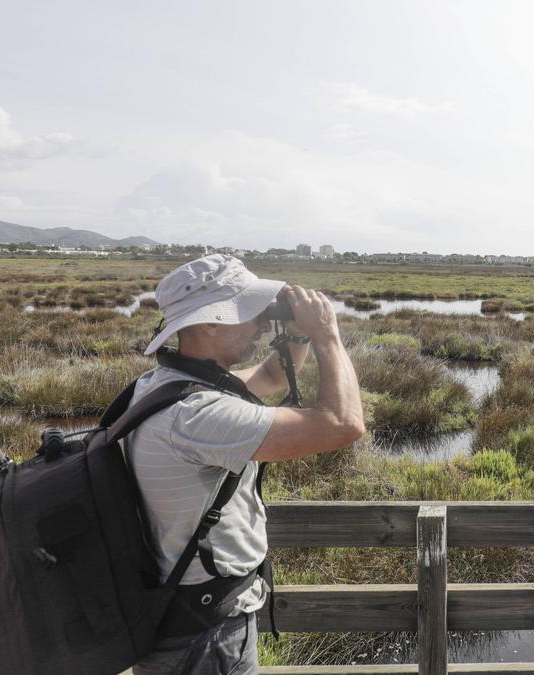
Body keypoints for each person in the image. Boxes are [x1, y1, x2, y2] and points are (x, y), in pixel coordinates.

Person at [128, 254, 365, 675]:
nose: (258, 323)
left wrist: (297, 334)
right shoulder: (198, 415)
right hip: (207, 636)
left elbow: (272, 378)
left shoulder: (162, 387)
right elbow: (342, 424)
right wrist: (327, 335)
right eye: (247, 311)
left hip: (177, 618)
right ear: (209, 323)